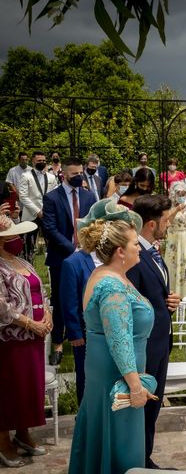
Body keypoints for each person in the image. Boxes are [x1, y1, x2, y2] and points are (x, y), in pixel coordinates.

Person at [68, 206, 156, 474]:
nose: (139, 248)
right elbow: (119, 340)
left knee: (105, 439)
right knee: (121, 446)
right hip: (117, 379)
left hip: (107, 373)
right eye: (133, 244)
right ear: (120, 251)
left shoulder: (112, 276)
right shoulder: (111, 286)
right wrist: (135, 387)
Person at [127, 195, 181, 470]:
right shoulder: (134, 256)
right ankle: (138, 460)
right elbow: (132, 303)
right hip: (145, 345)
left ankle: (144, 457)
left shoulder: (152, 251)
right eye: (166, 220)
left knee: (153, 407)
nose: (169, 224)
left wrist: (168, 303)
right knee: (144, 407)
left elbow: (152, 294)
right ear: (150, 224)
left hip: (161, 339)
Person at [0, 217, 51, 468]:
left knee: (30, 388)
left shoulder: (22, 261)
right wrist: (30, 324)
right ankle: (3, 441)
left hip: (36, 338)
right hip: (12, 339)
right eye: (12, 236)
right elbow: (2, 308)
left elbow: (41, 291)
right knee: (11, 389)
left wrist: (48, 314)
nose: (18, 240)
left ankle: (23, 433)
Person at [42, 156, 96, 365]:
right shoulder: (52, 198)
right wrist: (72, 249)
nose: (79, 177)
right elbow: (50, 229)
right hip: (62, 258)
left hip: (86, 258)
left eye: (80, 173)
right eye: (74, 174)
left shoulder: (89, 196)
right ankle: (57, 342)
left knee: (86, 297)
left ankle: (84, 335)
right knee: (61, 300)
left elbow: (94, 223)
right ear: (63, 174)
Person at [61, 242, 100, 405]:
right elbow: (69, 301)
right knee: (87, 377)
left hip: (109, 333)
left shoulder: (113, 258)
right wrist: (74, 332)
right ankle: (86, 417)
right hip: (85, 333)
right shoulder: (73, 262)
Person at [19, 151, 57, 262]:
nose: (42, 162)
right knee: (28, 247)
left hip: (48, 215)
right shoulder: (25, 176)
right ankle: (28, 273)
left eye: (44, 161)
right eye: (39, 161)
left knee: (52, 245)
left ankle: (52, 272)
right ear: (33, 161)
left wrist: (48, 211)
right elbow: (23, 197)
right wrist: (37, 211)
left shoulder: (51, 177)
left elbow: (55, 196)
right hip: (31, 215)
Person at [164, 181, 186, 298]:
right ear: (174, 195)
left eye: (183, 194)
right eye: (179, 194)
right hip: (175, 239)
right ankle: (174, 292)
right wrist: (177, 209)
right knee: (175, 264)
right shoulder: (170, 207)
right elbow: (168, 221)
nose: (181, 196)